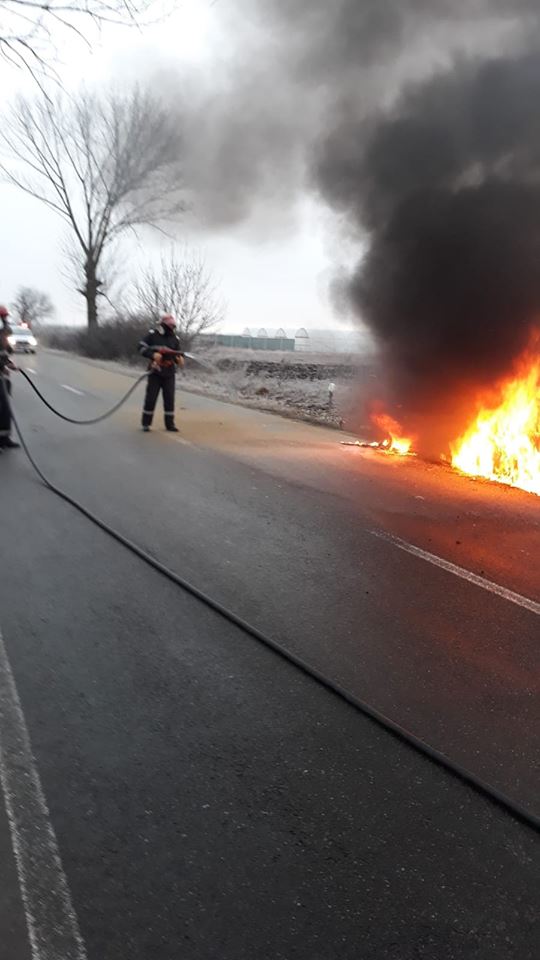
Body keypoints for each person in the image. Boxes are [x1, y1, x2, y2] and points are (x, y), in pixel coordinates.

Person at [138, 314, 184, 432]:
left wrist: (179, 359)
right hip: (155, 371)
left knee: (169, 399)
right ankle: (146, 423)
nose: (172, 328)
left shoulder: (175, 338)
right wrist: (152, 354)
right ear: (163, 325)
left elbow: (177, 353)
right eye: (170, 326)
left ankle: (170, 424)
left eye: (173, 326)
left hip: (169, 373)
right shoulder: (152, 335)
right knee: (151, 398)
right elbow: (141, 347)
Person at [0, 305, 19, 451]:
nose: (5, 319)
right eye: (4, 316)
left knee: (5, 408)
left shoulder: (4, 332)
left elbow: (4, 353)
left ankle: (4, 438)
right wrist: (4, 366)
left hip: (3, 377)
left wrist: (8, 363)